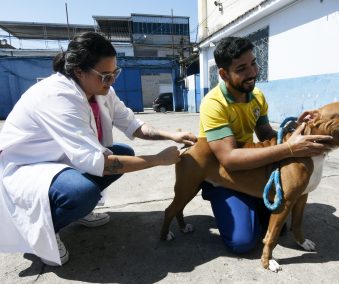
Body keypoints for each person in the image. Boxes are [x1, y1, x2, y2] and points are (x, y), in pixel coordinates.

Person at [0, 32, 197, 266]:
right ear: (79, 71)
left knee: (123, 152)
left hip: (63, 158)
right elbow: (102, 164)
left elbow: (133, 124)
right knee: (81, 192)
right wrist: (156, 159)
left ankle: (79, 212)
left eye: (115, 73)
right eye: (105, 75)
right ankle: (42, 235)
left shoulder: (101, 90)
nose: (111, 81)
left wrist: (172, 135)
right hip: (28, 166)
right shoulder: (58, 97)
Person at [199, 37, 332, 254]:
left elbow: (267, 135)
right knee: (243, 242)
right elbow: (229, 160)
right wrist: (290, 148)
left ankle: (250, 204)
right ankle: (214, 192)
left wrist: (299, 131)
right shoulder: (213, 104)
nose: (252, 72)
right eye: (242, 68)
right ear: (223, 74)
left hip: (249, 165)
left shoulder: (256, 96)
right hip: (222, 174)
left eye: (253, 63)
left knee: (279, 230)